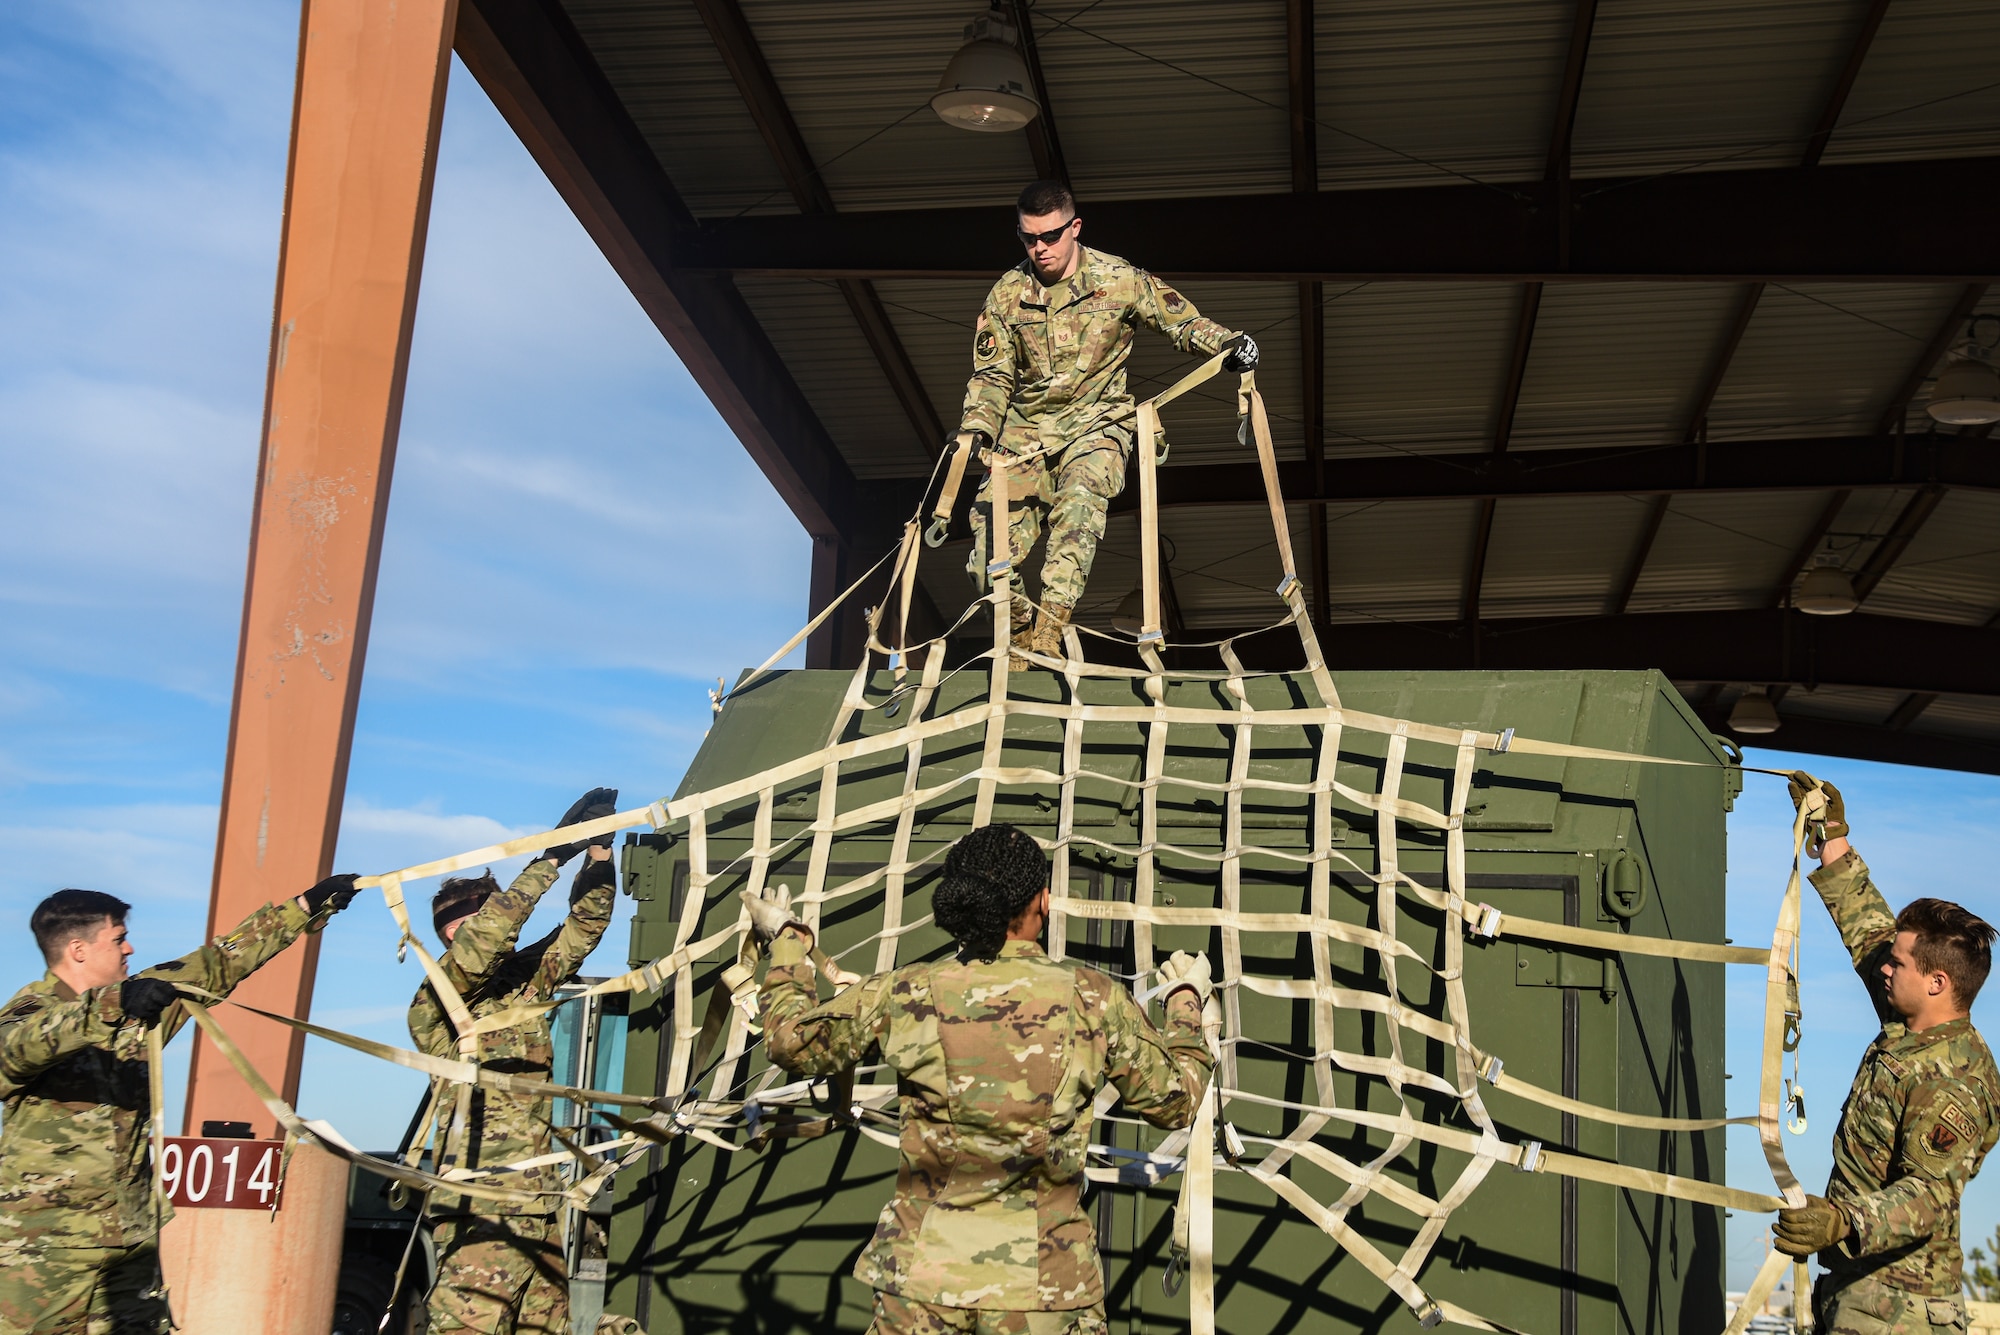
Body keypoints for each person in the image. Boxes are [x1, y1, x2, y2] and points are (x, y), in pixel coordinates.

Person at [742, 822, 1218, 1335]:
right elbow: (1177, 1102)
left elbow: (789, 1042)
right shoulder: (1093, 999)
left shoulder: (904, 994)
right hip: (1044, 1292)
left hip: (921, 1286)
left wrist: (788, 944)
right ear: (1044, 902)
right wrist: (1186, 1006)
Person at [0, 871, 362, 1335]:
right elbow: (20, 1049)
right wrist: (112, 1005)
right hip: (46, 1249)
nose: (129, 949)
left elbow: (216, 964)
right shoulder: (28, 1014)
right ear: (78, 949)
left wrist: (306, 907)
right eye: (119, 939)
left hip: (129, 1241)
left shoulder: (139, 1005)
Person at [956, 179, 1258, 657]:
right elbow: (992, 375)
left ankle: (1051, 628)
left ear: (1074, 227)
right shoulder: (1007, 295)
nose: (1040, 248)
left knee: (1077, 508)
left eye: (1050, 236)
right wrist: (977, 428)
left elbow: (1179, 320)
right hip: (1025, 436)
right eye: (1028, 238)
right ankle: (1018, 636)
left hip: (1097, 426)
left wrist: (1228, 343)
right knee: (985, 557)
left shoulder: (1120, 279)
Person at [1774, 773, 1999, 1335]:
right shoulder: (1910, 1020)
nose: (1884, 966)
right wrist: (1830, 837)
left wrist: (1842, 1221)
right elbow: (1870, 927)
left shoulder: (1958, 1082)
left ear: (1938, 982)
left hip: (1902, 1309)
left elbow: (1928, 1196)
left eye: (1899, 963)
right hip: (1859, 1290)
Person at [408, 787, 627, 1335]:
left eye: (466, 924)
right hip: (478, 1212)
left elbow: (584, 928)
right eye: (449, 933)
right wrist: (550, 859)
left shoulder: (524, 986)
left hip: (536, 1204)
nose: (458, 939)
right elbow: (482, 944)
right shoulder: (437, 1002)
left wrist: (600, 854)